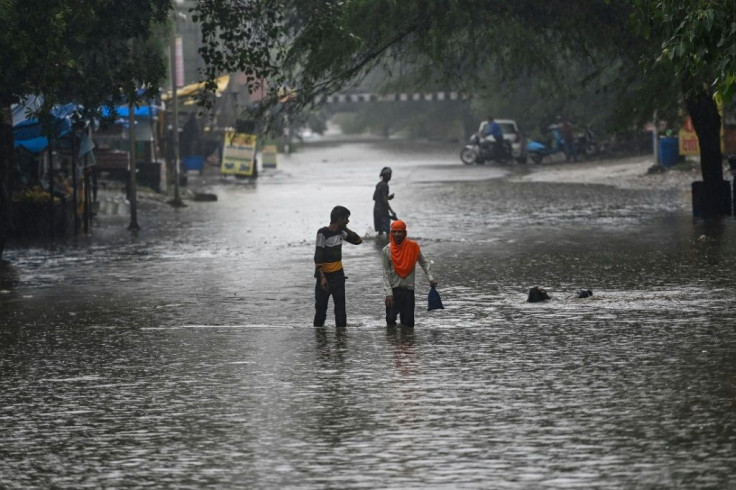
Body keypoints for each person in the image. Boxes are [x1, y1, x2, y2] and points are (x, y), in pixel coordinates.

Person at [381, 220, 438, 328]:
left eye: (400, 232)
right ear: (391, 233)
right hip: (393, 291)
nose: (397, 234)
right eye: (394, 231)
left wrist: (430, 278)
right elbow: (385, 273)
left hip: (408, 291)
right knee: (390, 322)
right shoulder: (386, 250)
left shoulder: (413, 247)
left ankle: (407, 343)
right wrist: (388, 293)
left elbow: (424, 263)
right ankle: (392, 345)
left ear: (404, 233)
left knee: (408, 324)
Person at [314, 205, 363, 328]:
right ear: (340, 219)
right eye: (346, 219)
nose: (348, 221)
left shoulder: (341, 233)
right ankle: (319, 337)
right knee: (320, 309)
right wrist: (322, 277)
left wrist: (346, 228)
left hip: (338, 276)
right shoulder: (322, 232)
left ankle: (341, 339)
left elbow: (358, 241)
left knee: (341, 310)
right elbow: (318, 256)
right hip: (324, 277)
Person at [372, 167, 396, 236]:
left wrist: (388, 197)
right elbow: (384, 200)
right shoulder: (385, 185)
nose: (390, 176)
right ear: (384, 176)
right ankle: (387, 245)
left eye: (390, 174)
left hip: (376, 211)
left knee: (380, 232)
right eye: (388, 174)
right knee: (388, 232)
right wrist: (392, 211)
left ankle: (379, 245)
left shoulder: (378, 184)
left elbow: (374, 198)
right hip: (383, 211)